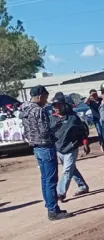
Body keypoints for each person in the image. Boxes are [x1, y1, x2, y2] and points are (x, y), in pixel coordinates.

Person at [19, 86, 72, 220]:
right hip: (45, 146)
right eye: (45, 98)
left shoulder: (25, 110)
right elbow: (44, 130)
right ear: (40, 96)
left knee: (45, 179)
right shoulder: (38, 110)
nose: (46, 101)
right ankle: (53, 210)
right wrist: (56, 128)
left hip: (36, 147)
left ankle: (50, 206)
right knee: (50, 180)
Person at [49, 95, 90, 202]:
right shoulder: (51, 119)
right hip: (59, 149)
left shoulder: (73, 118)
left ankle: (60, 193)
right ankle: (82, 186)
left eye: (59, 105)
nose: (57, 107)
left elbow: (83, 131)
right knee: (72, 169)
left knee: (67, 170)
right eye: (54, 105)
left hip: (71, 148)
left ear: (64, 105)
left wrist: (85, 143)